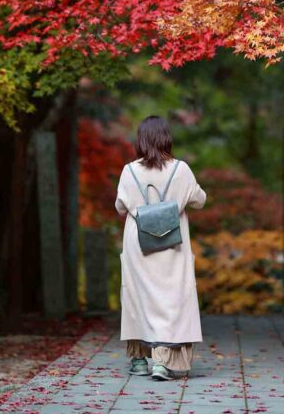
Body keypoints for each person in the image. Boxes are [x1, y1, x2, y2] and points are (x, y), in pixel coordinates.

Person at [115, 115, 206, 381]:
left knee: (137, 297)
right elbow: (199, 200)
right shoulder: (181, 169)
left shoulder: (129, 171)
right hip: (172, 243)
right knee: (171, 299)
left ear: (140, 140)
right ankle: (163, 362)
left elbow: (120, 207)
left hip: (138, 243)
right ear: (167, 138)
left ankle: (139, 360)